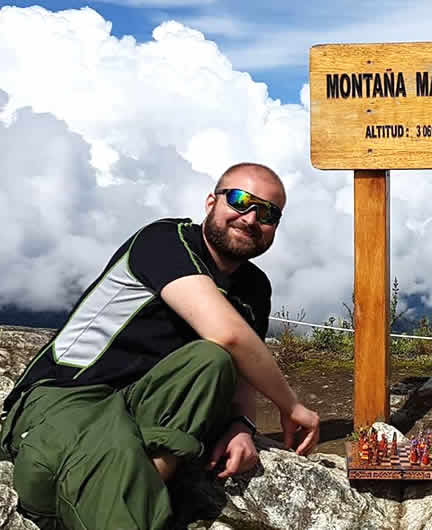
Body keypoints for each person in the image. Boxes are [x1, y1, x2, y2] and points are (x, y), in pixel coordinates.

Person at [0, 163, 320, 529]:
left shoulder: (254, 288)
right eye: (240, 200)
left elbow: (240, 361)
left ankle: (114, 493)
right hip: (71, 395)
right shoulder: (165, 241)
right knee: (108, 458)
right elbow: (226, 332)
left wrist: (241, 424)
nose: (250, 218)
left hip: (139, 407)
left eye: (268, 213)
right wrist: (292, 406)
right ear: (211, 201)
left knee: (211, 361)